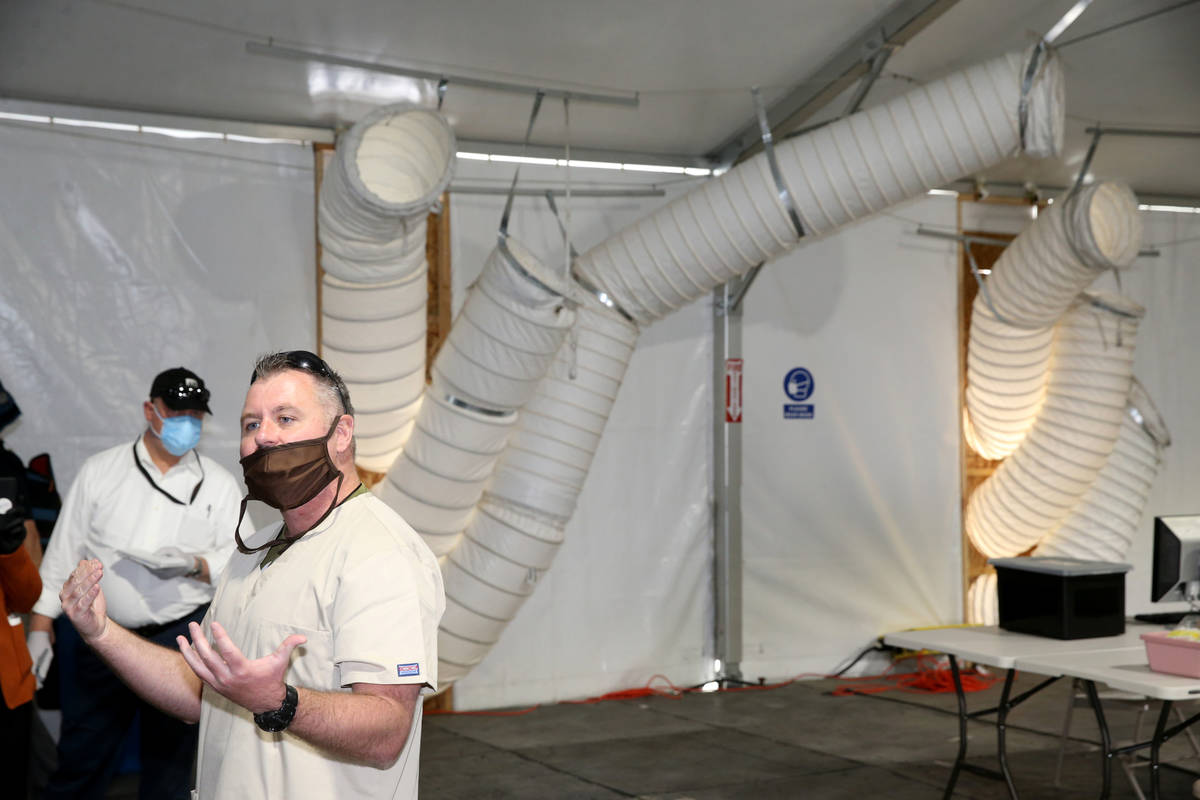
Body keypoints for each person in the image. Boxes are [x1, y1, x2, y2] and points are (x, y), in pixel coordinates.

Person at [57, 350, 445, 800]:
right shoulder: (250, 552)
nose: (264, 437)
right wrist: (101, 631)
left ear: (342, 433)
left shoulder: (379, 553)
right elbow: (199, 696)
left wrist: (278, 700)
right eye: (251, 425)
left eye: (285, 418)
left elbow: (386, 732)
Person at [29, 367, 246, 800]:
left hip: (179, 638)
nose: (187, 424)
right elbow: (63, 554)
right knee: (83, 756)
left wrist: (196, 565)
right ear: (151, 410)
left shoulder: (219, 487)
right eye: (177, 412)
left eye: (195, 416)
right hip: (100, 637)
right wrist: (40, 626)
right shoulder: (101, 471)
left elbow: (243, 566)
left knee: (171, 765)